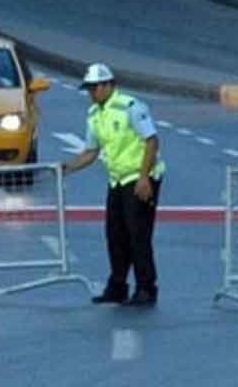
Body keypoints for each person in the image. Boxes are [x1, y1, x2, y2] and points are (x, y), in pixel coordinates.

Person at [62, 63, 166, 307]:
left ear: (109, 85)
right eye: (88, 88)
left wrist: (144, 177)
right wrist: (65, 168)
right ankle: (118, 286)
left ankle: (146, 288)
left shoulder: (129, 107)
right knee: (115, 234)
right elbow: (91, 152)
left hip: (140, 177)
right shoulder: (94, 114)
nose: (91, 93)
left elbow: (151, 141)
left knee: (138, 235)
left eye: (94, 87)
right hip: (117, 179)